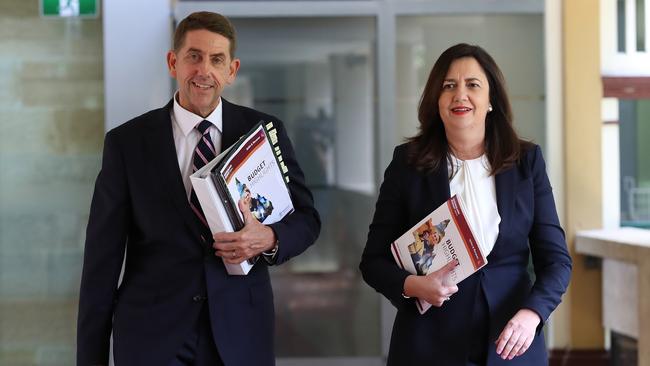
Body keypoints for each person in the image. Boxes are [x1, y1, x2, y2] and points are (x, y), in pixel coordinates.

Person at [77, 11, 320, 366]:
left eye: (216, 60)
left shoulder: (264, 131)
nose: (204, 70)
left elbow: (307, 219)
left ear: (232, 71)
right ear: (173, 62)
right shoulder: (126, 144)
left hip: (241, 332)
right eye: (194, 56)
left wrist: (268, 238)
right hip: (151, 336)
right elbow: (101, 261)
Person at [359, 43, 571, 365]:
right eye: (449, 86)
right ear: (437, 101)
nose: (460, 95)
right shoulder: (408, 164)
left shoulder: (527, 162)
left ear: (490, 101)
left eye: (473, 85)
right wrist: (414, 285)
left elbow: (556, 261)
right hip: (429, 345)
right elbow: (373, 262)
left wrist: (532, 313)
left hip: (511, 344)